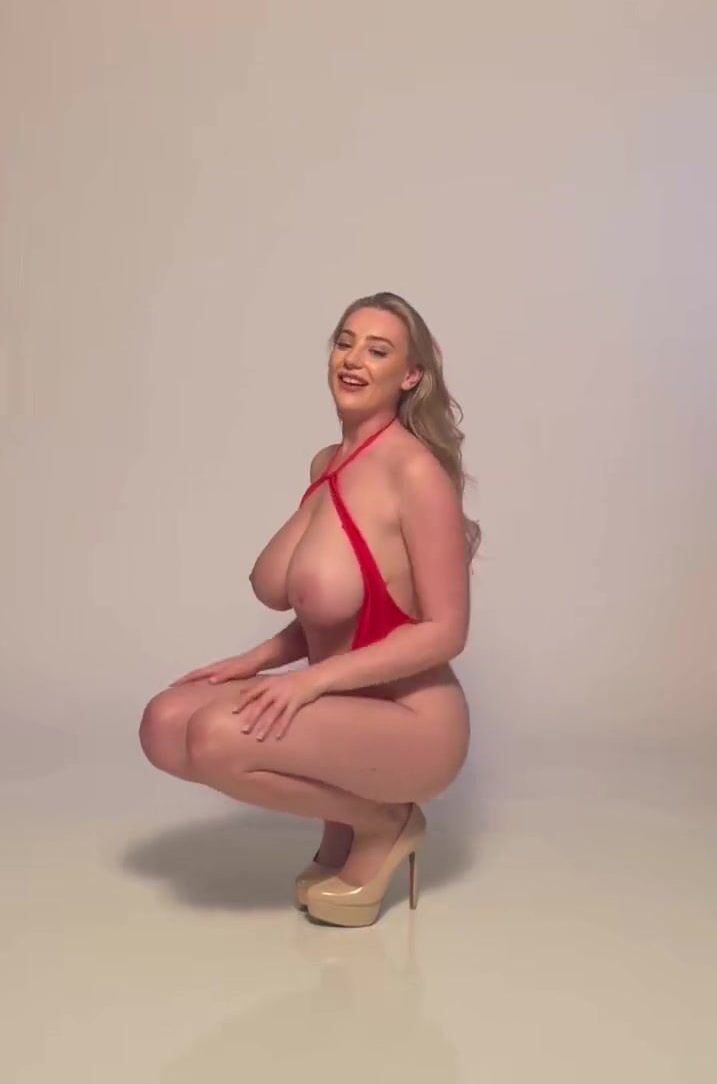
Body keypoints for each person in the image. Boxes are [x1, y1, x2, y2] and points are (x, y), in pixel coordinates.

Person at [139, 291, 477, 928]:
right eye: (344, 342)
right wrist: (257, 659)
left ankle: (383, 823)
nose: (353, 359)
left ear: (410, 376)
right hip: (344, 705)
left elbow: (445, 631)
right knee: (164, 721)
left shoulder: (414, 473)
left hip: (413, 721)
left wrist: (310, 682)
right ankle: (350, 823)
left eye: (377, 350)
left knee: (213, 738)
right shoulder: (328, 462)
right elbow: (338, 610)